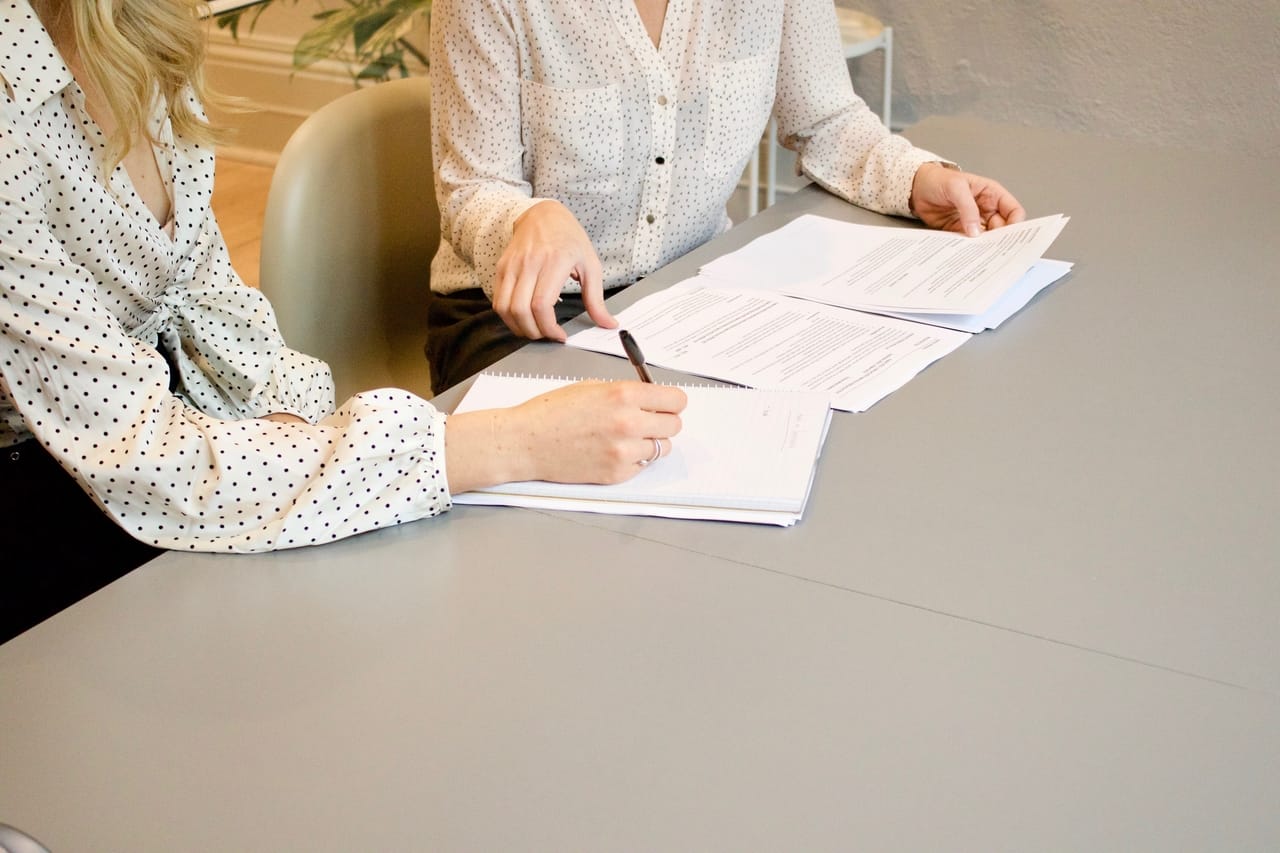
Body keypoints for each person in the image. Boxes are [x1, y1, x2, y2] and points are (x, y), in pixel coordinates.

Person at [0, 0, 686, 643]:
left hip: (163, 441)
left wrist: (293, 425)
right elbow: (145, 457)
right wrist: (510, 443)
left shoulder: (140, 31)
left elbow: (206, 299)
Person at [426, 0, 1028, 393]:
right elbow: (472, 188)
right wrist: (529, 218)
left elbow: (826, 118)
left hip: (689, 296)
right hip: (518, 317)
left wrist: (919, 179)